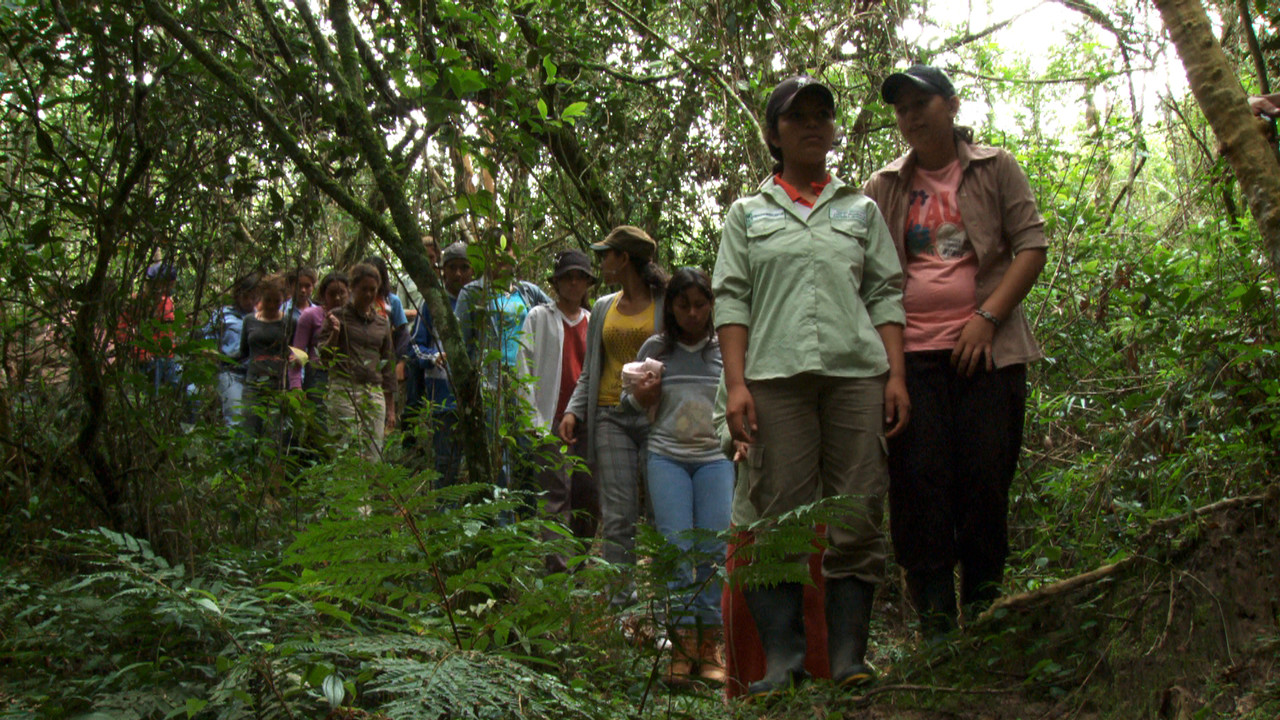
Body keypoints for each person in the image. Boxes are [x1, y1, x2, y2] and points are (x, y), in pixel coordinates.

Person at [711, 76, 908, 697]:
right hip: (774, 379)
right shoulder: (749, 214)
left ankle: (849, 659)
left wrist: (896, 374)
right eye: (799, 118)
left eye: (824, 115)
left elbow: (883, 292)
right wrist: (736, 385)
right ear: (775, 134)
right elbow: (732, 298)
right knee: (778, 518)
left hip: (856, 376)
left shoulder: (861, 210)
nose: (814, 126)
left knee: (856, 513)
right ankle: (783, 662)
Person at [863, 65, 1047, 637]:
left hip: (989, 356)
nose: (912, 116)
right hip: (910, 360)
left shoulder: (996, 168)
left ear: (952, 104)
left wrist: (987, 319)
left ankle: (987, 619)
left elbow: (1032, 244)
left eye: (923, 103)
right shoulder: (883, 187)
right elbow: (868, 277)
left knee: (985, 484)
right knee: (919, 491)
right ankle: (938, 632)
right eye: (902, 108)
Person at [627, 267, 732, 685]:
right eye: (683, 305)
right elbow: (628, 401)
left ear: (711, 305)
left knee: (711, 550)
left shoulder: (725, 348)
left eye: (700, 304)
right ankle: (682, 645)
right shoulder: (656, 348)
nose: (692, 313)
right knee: (673, 548)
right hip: (666, 457)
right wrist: (642, 394)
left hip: (715, 458)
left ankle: (709, 646)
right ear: (671, 307)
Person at [558, 225, 667, 601]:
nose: (601, 261)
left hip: (657, 417)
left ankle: (666, 605)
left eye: (607, 254)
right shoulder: (604, 306)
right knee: (619, 517)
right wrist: (574, 410)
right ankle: (623, 606)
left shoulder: (665, 303)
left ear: (624, 259)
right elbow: (592, 369)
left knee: (660, 513)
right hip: (610, 416)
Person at [516, 249, 600, 572]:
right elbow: (522, 368)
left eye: (580, 276)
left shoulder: (594, 321)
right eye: (568, 276)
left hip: (585, 424)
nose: (574, 282)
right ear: (557, 282)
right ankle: (558, 570)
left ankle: (578, 562)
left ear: (588, 282)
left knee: (588, 495)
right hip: (548, 421)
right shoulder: (539, 317)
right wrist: (534, 422)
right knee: (555, 497)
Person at [455, 231, 551, 488]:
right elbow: (462, 342)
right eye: (495, 257)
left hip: (525, 381)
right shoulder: (472, 293)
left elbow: (555, 314)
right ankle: (500, 518)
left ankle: (526, 517)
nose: (501, 263)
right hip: (490, 383)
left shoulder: (527, 292)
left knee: (526, 451)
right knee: (496, 452)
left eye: (506, 257)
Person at [406, 240, 472, 486]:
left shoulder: (481, 301)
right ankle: (443, 519)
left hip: (476, 396)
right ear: (442, 270)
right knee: (445, 464)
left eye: (464, 267)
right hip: (443, 399)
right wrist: (434, 358)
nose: (458, 273)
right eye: (452, 267)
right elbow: (415, 346)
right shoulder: (434, 302)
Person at [318, 263, 397, 460]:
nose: (369, 294)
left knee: (372, 454)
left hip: (374, 392)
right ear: (353, 288)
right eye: (364, 289)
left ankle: (370, 492)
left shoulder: (382, 322)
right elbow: (324, 357)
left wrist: (391, 407)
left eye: (373, 289)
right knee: (347, 452)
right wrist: (335, 334)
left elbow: (388, 364)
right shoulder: (337, 316)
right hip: (344, 388)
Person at [239, 273, 293, 437]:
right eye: (268, 299)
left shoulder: (289, 322)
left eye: (276, 301)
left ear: (283, 299)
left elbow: (295, 352)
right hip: (253, 384)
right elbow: (243, 353)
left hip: (278, 385)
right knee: (249, 429)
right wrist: (219, 357)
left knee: (274, 434)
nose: (272, 305)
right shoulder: (249, 320)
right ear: (261, 297)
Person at [207, 273, 260, 426]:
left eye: (254, 297)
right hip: (231, 372)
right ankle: (233, 448)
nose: (251, 301)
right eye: (247, 297)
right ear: (238, 295)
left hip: (255, 376)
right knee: (235, 417)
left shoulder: (262, 317)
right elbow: (206, 340)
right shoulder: (223, 315)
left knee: (253, 421)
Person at [289, 271, 350, 396]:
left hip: (347, 376)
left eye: (341, 293)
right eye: (332, 294)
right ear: (323, 295)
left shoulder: (354, 318)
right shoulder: (310, 315)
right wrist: (296, 386)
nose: (337, 298)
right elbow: (297, 354)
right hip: (318, 376)